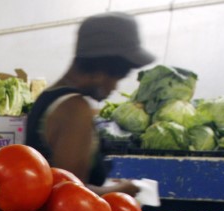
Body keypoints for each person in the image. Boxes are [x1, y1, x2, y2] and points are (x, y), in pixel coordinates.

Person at [26, 12, 155, 195]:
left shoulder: (48, 96)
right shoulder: (75, 109)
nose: (114, 87)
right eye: (117, 76)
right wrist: (124, 190)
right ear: (102, 69)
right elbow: (72, 195)